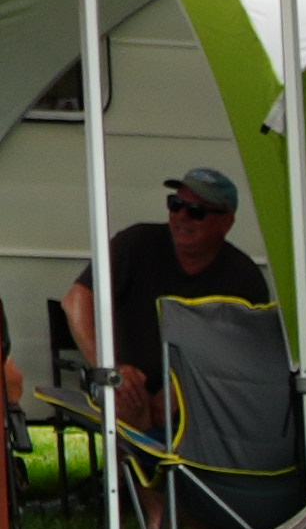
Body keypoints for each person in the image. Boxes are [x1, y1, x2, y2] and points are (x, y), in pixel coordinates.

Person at [74, 165, 274, 430]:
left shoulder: (243, 276)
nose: (182, 217)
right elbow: (76, 300)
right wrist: (110, 367)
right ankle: (139, 455)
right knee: (122, 395)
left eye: (197, 211)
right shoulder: (136, 243)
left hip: (204, 392)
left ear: (226, 222)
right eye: (175, 204)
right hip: (128, 382)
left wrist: (183, 391)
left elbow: (248, 354)